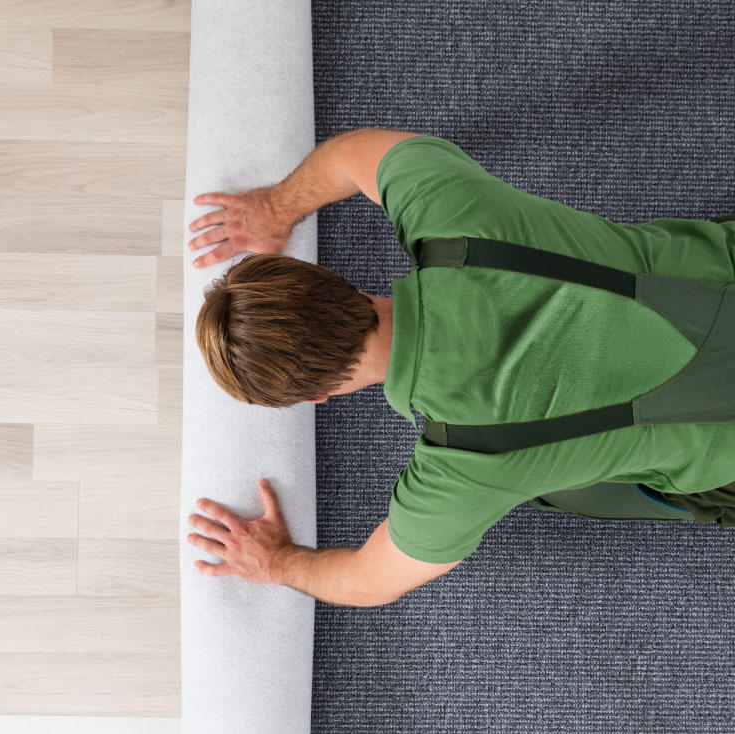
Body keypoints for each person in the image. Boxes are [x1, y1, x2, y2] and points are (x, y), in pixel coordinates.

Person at [183, 129, 735, 608]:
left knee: (564, 489)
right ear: (335, 282)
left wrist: (276, 562)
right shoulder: (450, 214)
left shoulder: (463, 469)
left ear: (318, 396)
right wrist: (279, 206)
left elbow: (368, 581)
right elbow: (355, 155)